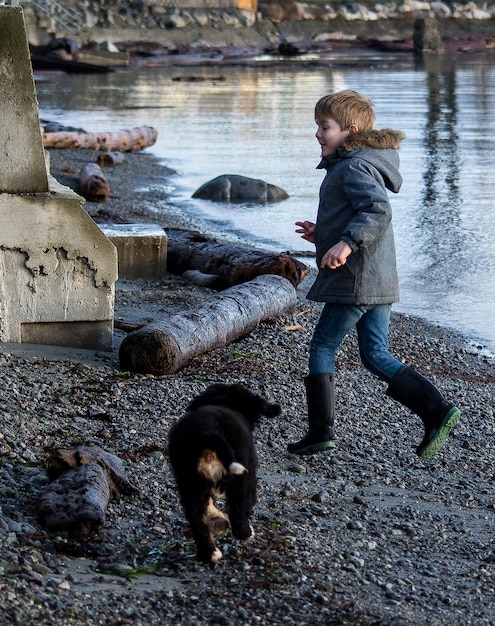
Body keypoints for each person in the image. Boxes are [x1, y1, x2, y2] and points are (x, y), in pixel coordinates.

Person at [288, 89, 460, 459]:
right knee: (375, 353)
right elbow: (362, 213)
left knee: (322, 346)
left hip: (357, 278)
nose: (318, 134)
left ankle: (320, 431)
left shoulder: (352, 166)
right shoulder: (357, 163)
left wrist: (345, 244)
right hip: (379, 278)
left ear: (349, 130)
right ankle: (437, 410)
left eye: (325, 127)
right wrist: (325, 235)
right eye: (317, 127)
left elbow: (377, 211)